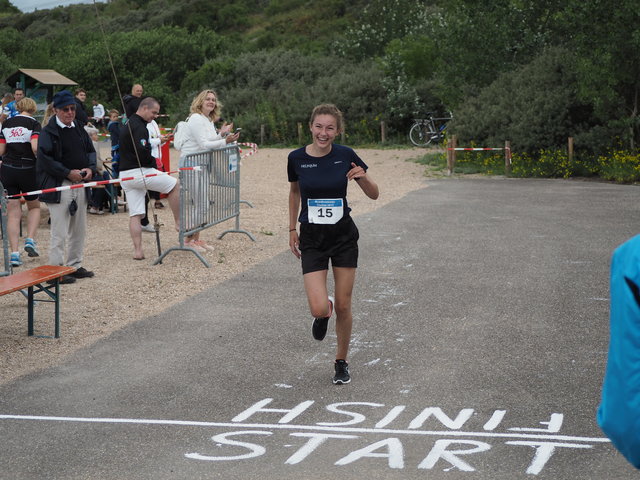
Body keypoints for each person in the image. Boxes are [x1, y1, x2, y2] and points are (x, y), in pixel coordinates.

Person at [288, 104, 379, 385]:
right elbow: (294, 192)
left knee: (344, 304)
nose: (323, 133)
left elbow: (374, 194)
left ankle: (341, 361)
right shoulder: (296, 158)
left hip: (342, 237)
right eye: (319, 127)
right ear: (310, 126)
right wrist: (292, 228)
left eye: (329, 128)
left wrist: (362, 178)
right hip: (313, 238)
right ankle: (321, 311)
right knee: (319, 308)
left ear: (337, 130)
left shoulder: (346, 155)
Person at [37, 90, 96, 284]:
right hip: (60, 184)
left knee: (79, 228)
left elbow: (90, 151)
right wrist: (66, 173)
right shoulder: (48, 131)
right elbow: (45, 159)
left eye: (73, 109)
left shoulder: (79, 127)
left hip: (80, 182)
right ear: (56, 110)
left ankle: (75, 264)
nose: (70, 112)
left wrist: (90, 168)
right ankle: (55, 271)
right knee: (59, 231)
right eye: (66, 109)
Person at [119, 97, 180, 260]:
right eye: (154, 112)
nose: (155, 116)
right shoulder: (140, 127)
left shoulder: (126, 122)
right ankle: (179, 222)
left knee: (136, 214)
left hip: (125, 175)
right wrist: (155, 162)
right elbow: (143, 153)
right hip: (139, 172)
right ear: (144, 108)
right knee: (175, 185)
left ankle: (138, 251)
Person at [179, 89, 239, 251]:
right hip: (191, 165)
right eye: (208, 99)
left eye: (213, 99)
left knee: (203, 203)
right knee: (200, 203)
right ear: (201, 101)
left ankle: (195, 238)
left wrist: (222, 135)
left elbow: (210, 140)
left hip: (202, 165)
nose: (211, 102)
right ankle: (187, 240)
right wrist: (224, 140)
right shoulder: (196, 118)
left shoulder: (207, 119)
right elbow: (204, 144)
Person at [0, 97, 42, 267]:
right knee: (34, 206)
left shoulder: (7, 124)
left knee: (13, 212)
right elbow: (35, 147)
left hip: (8, 169)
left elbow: (1, 150)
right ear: (32, 108)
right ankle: (30, 239)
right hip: (28, 169)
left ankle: (14, 253)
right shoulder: (34, 124)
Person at [84, 124, 107, 215]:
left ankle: (112, 199)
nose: (97, 136)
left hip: (89, 171)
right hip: (91, 172)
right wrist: (100, 170)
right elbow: (96, 162)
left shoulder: (86, 143)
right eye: (95, 135)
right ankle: (96, 205)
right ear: (90, 136)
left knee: (105, 176)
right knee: (102, 179)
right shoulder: (93, 144)